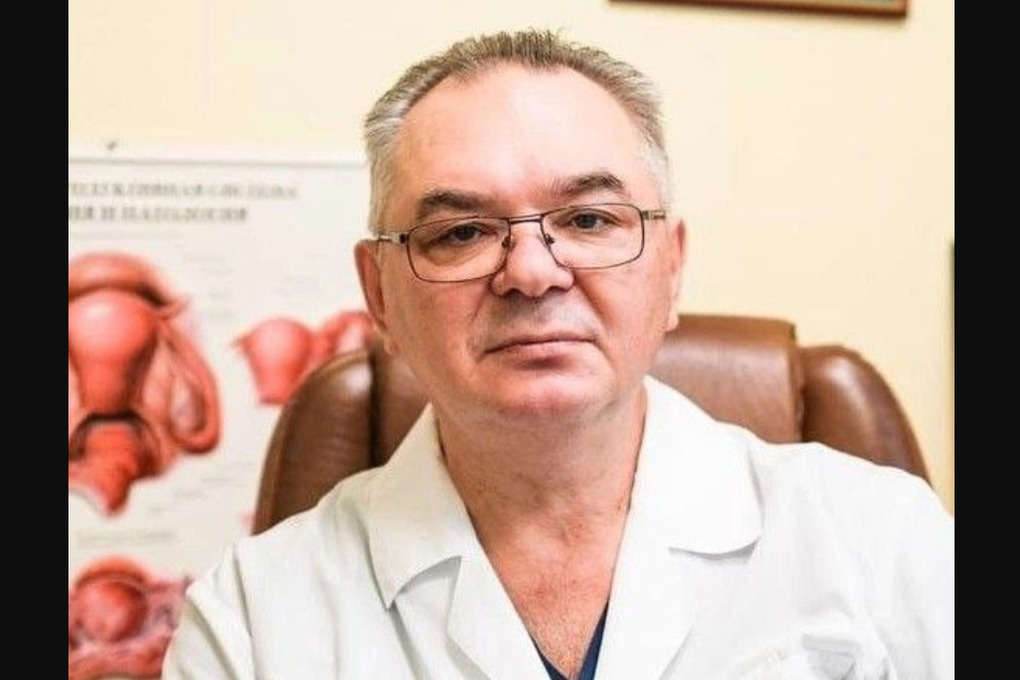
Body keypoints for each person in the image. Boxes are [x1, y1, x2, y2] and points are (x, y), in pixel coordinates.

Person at [161, 29, 954, 680]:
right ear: (380, 295)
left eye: (589, 220)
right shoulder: (253, 622)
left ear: (672, 267)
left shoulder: (887, 543)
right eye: (461, 232)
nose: (533, 273)